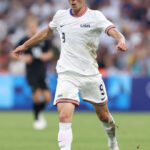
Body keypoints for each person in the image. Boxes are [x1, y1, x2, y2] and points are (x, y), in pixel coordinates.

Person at [12, 0, 127, 149]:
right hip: (67, 74)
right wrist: (25, 45)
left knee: (104, 116)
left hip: (90, 75)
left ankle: (112, 142)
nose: (72, 1)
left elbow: (113, 31)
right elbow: (47, 32)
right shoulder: (60, 16)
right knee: (64, 116)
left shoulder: (95, 17)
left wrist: (121, 39)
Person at [16, 15, 53, 130]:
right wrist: (23, 58)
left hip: (42, 72)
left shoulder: (43, 39)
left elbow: (51, 53)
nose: (32, 27)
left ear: (37, 26)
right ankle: (37, 119)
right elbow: (13, 53)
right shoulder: (24, 40)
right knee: (37, 96)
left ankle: (39, 113)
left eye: (34, 25)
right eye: (30, 26)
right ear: (28, 27)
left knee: (47, 98)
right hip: (31, 72)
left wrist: (45, 56)